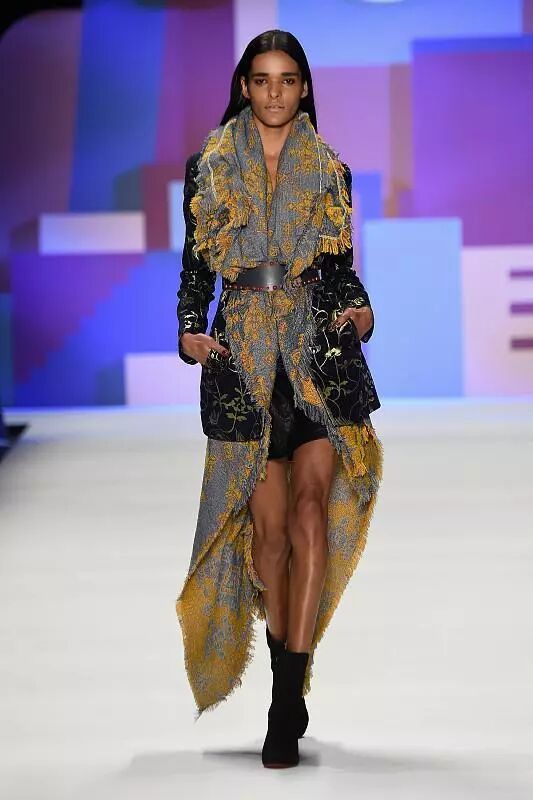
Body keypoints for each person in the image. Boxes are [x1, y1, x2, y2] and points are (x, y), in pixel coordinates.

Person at [175, 29, 383, 769]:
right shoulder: (209, 167)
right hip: (243, 360)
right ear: (243, 86)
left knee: (309, 512)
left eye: (286, 79)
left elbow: (339, 267)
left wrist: (360, 310)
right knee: (267, 538)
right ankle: (283, 673)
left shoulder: (330, 169)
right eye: (261, 79)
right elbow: (196, 267)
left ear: (303, 88)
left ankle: (285, 700)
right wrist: (189, 331)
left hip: (316, 356)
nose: (273, 92)